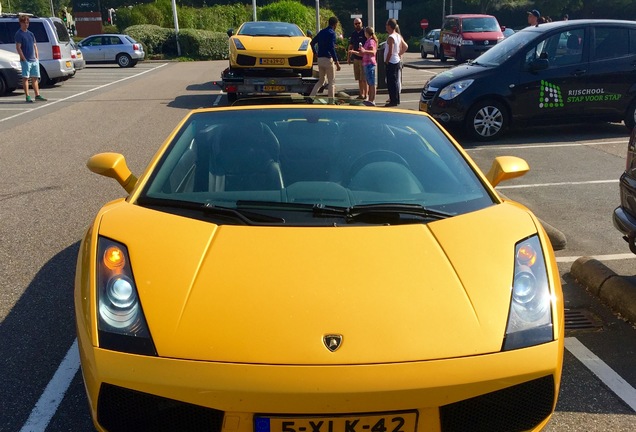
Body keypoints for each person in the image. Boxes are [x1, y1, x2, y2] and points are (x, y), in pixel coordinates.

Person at [15, 14, 47, 103]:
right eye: (24, 23)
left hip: (34, 60)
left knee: (35, 77)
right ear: (20, 23)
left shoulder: (31, 34)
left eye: (27, 23)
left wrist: (37, 57)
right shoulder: (19, 34)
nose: (26, 24)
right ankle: (27, 96)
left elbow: (34, 45)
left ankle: (37, 95)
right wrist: (23, 58)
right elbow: (18, 47)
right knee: (25, 78)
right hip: (26, 60)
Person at [310, 17, 341, 99]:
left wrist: (315, 53)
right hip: (328, 59)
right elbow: (331, 48)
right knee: (331, 82)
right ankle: (331, 101)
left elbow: (312, 43)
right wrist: (336, 62)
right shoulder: (332, 33)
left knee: (321, 81)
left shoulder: (321, 32)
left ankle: (311, 97)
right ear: (335, 24)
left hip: (320, 59)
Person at [350, 26, 378, 105]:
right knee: (369, 82)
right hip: (366, 63)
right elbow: (362, 53)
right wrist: (354, 52)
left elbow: (373, 52)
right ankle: (370, 98)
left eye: (365, 32)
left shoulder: (371, 41)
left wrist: (364, 50)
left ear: (367, 33)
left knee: (372, 83)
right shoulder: (367, 41)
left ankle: (372, 100)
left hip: (370, 63)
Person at [383, 18, 403, 107]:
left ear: (390, 26)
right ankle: (396, 99)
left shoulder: (391, 37)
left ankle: (393, 100)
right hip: (396, 60)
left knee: (391, 82)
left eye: (387, 25)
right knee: (395, 81)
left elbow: (390, 51)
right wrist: (399, 54)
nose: (386, 26)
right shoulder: (398, 35)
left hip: (391, 61)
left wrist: (386, 61)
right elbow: (405, 46)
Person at [347, 18, 367, 100]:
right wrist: (348, 57)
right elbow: (350, 45)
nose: (357, 25)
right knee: (359, 78)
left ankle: (366, 94)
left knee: (364, 78)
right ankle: (361, 93)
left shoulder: (365, 32)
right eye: (356, 24)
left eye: (359, 23)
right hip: (356, 58)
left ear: (361, 23)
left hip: (363, 58)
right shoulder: (353, 34)